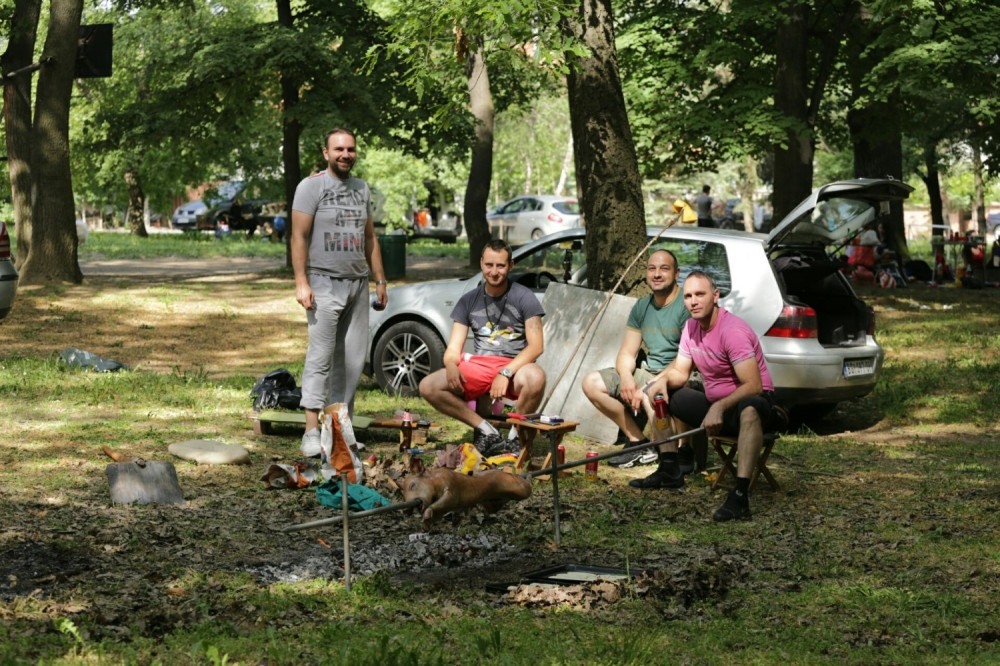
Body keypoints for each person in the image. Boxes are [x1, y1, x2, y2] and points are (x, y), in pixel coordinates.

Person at [638, 271, 775, 523]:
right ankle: (670, 467)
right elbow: (681, 371)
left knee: (750, 408)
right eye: (688, 296)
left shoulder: (732, 330)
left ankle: (739, 496)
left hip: (755, 407)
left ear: (715, 296)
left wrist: (719, 407)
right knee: (656, 392)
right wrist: (664, 381)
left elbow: (754, 385)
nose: (693, 301)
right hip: (716, 406)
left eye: (700, 294)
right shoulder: (690, 327)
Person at [292, 128, 388, 455]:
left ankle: (338, 432)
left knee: (352, 361)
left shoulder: (361, 189)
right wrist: (301, 282)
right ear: (326, 152)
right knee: (320, 356)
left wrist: (380, 280)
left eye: (350, 149)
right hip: (322, 282)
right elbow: (298, 237)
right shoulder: (311, 187)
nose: (345, 154)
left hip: (358, 285)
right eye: (339, 149)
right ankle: (309, 431)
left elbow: (370, 239)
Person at [419, 240, 546, 457]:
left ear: (511, 265)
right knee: (428, 386)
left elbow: (536, 347)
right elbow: (453, 348)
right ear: (480, 263)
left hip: (514, 366)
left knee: (536, 377)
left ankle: (516, 437)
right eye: (489, 265)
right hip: (480, 366)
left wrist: (505, 372)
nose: (494, 272)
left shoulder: (525, 297)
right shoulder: (468, 300)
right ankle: (486, 430)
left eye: (500, 266)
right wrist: (450, 364)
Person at [580, 248, 690, 469]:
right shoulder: (642, 306)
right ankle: (637, 442)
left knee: (652, 396)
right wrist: (627, 377)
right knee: (591, 382)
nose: (657, 274)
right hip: (649, 372)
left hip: (679, 374)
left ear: (677, 273)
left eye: (664, 269)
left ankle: (674, 456)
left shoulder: (686, 304)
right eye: (652, 269)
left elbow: (685, 360)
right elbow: (627, 353)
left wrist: (649, 384)